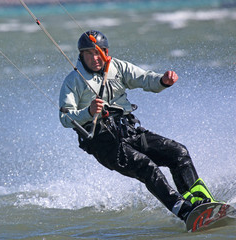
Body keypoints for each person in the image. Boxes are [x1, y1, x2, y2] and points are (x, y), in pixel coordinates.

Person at [59, 30, 217, 222]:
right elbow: (65, 118)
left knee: (178, 152)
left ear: (106, 51)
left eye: (98, 52)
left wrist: (162, 81)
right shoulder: (73, 81)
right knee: (146, 167)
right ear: (81, 55)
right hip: (104, 143)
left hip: (130, 131)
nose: (95, 58)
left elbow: (144, 78)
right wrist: (89, 112)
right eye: (89, 54)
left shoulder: (117, 67)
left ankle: (203, 202)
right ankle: (186, 213)